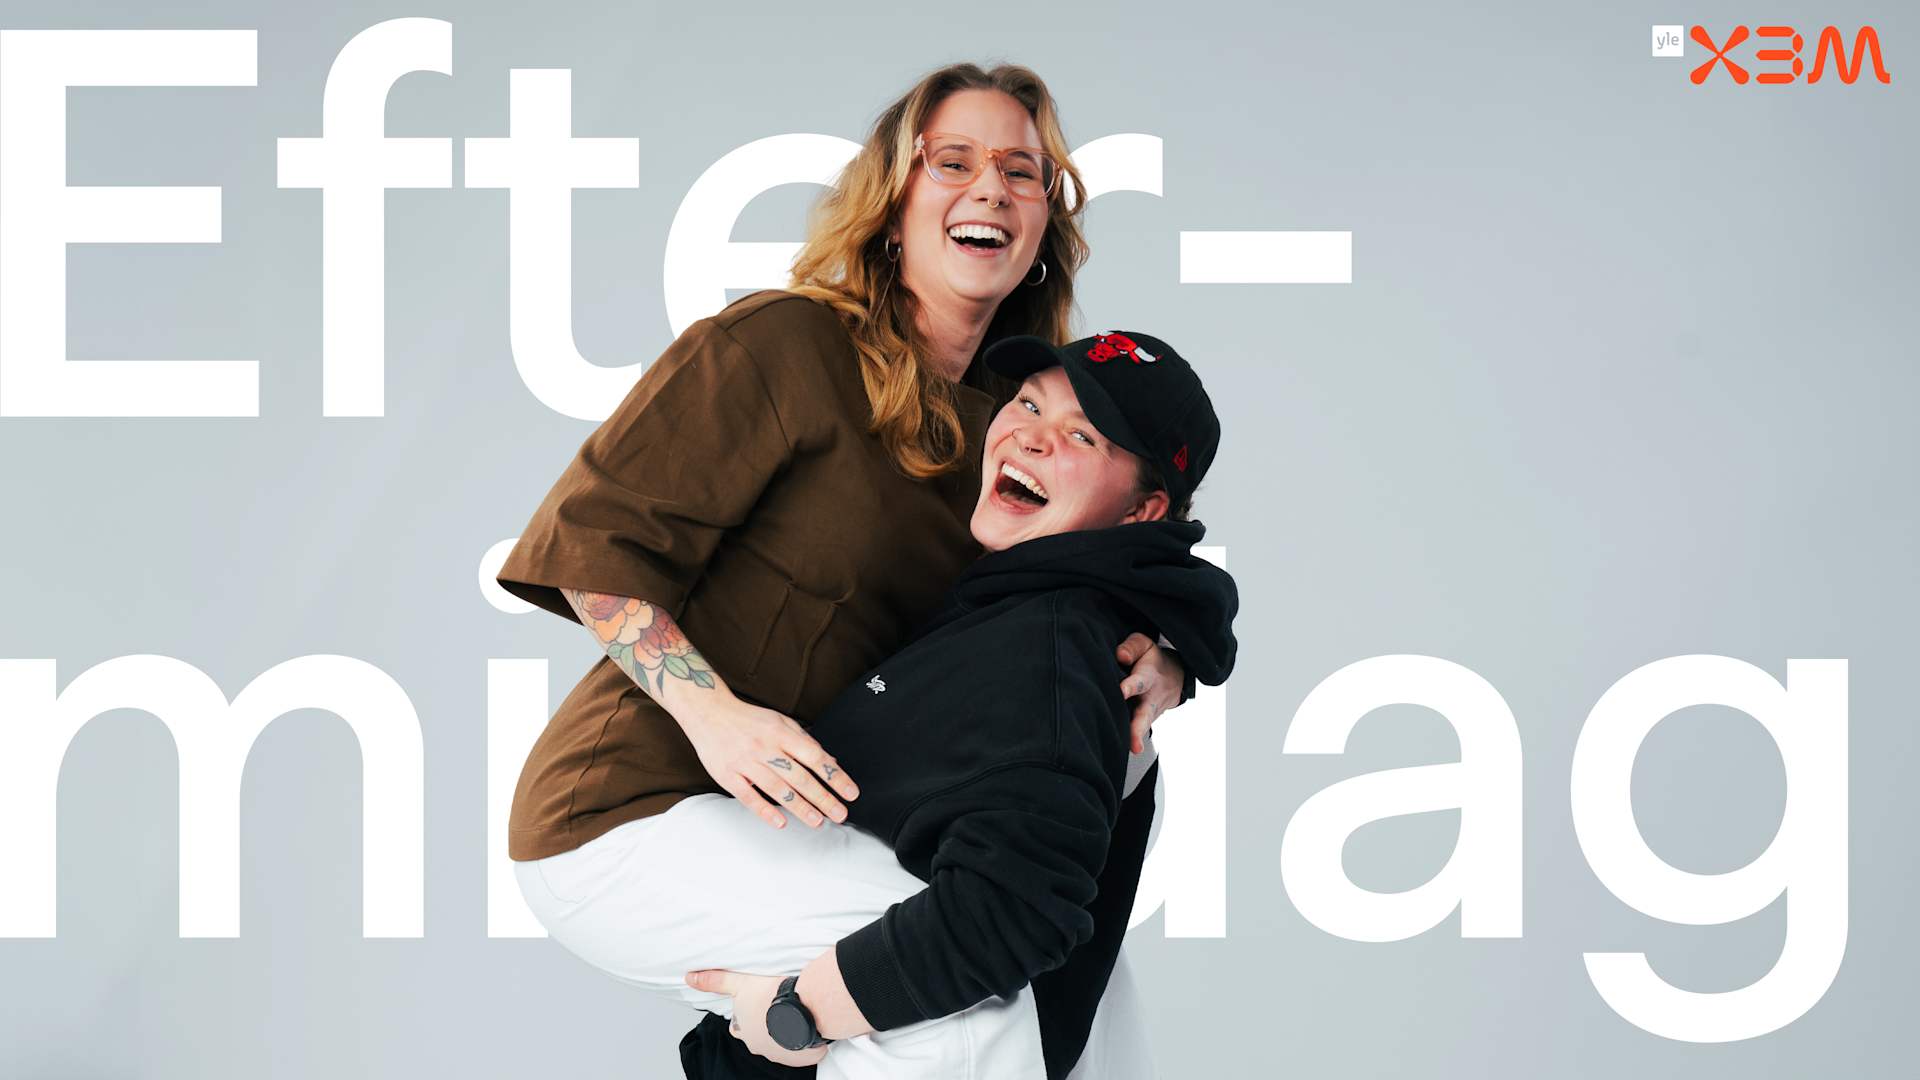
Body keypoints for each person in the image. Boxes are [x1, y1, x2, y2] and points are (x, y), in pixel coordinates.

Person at [496, 64, 1191, 1078]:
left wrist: (1161, 653)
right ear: (894, 201)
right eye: (952, 162)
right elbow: (595, 549)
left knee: (1069, 997)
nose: (991, 189)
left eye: (1021, 171)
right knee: (962, 986)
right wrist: (714, 716)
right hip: (632, 808)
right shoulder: (781, 345)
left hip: (821, 818)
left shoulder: (1008, 428)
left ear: (1046, 220)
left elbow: (1079, 581)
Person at [677, 329, 1236, 1080]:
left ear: (1142, 511)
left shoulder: (1054, 653)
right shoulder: (1025, 601)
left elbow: (1011, 913)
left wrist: (795, 1013)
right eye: (1029, 403)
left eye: (1082, 435)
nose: (1031, 437)